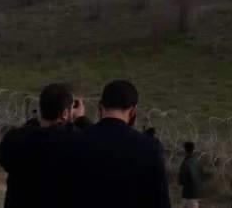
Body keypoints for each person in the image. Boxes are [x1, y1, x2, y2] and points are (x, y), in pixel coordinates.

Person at [71, 80, 171, 208]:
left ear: (100, 107)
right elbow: (160, 201)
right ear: (133, 111)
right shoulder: (150, 148)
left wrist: (78, 119)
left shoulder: (76, 141)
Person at [0, 83, 89, 208]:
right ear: (65, 113)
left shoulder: (17, 139)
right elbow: (96, 142)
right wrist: (81, 119)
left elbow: (1, 154)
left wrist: (34, 121)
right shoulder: (75, 141)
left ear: (40, 110)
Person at [179, 141, 202, 208]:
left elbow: (181, 180)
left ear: (185, 150)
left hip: (187, 194)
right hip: (195, 193)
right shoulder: (197, 162)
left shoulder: (185, 163)